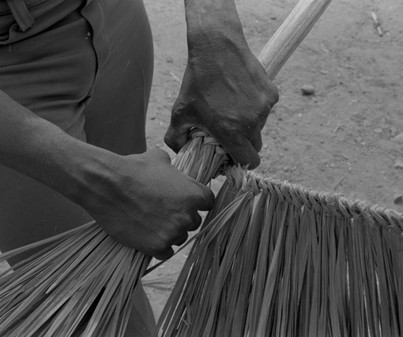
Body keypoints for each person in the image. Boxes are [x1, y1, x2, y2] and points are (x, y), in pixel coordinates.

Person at [0, 0, 278, 335]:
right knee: (98, 313)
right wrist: (101, 181)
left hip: (113, 17)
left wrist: (215, 33)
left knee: (126, 250)